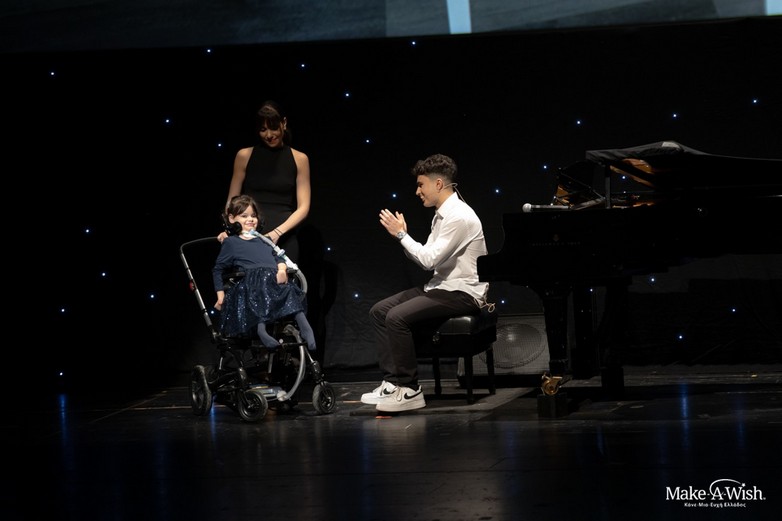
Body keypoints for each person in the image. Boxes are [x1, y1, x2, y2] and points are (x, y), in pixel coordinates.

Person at [362, 153, 491, 413]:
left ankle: (410, 389)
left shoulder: (459, 217)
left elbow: (429, 259)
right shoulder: (441, 214)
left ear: (438, 184)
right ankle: (392, 383)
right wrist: (403, 237)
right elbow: (426, 260)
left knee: (396, 317)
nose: (417, 191)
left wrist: (402, 235)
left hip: (463, 292)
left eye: (421, 185)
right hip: (442, 287)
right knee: (379, 311)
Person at [213, 195, 316, 352]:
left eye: (253, 216)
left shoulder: (264, 240)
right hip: (252, 283)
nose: (250, 219)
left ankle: (305, 327)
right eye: (244, 216)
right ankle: (261, 330)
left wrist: (281, 269)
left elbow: (278, 256)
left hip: (273, 280)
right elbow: (218, 269)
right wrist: (220, 296)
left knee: (288, 289)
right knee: (259, 288)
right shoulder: (231, 242)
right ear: (232, 218)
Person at [220, 100, 311, 261]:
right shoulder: (244, 156)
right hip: (248, 235)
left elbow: (303, 207)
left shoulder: (300, 159)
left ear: (284, 123)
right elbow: (232, 202)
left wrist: (276, 233)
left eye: (274, 128)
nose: (269, 135)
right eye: (263, 130)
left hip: (283, 237)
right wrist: (230, 228)